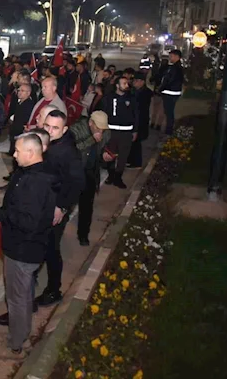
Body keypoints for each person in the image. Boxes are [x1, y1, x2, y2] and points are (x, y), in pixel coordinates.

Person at [0, 133, 57, 360]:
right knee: (24, 295)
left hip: (22, 250)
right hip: (27, 247)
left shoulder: (34, 183)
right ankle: (22, 334)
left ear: (31, 152)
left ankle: (15, 344)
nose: (14, 154)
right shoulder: (33, 174)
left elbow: (28, 221)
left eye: (17, 151)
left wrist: (3, 214)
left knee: (17, 299)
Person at [37, 109, 84, 306]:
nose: (50, 131)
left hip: (56, 208)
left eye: (55, 128)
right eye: (47, 126)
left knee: (51, 248)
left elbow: (77, 183)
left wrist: (62, 207)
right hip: (43, 204)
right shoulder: (47, 142)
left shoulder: (68, 152)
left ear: (64, 130)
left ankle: (53, 290)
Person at [69, 111, 112, 246]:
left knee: (87, 206)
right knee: (68, 205)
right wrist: (92, 139)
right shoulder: (76, 129)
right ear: (90, 123)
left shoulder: (106, 133)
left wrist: (105, 156)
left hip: (91, 172)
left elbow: (104, 148)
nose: (101, 131)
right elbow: (72, 149)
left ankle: (83, 235)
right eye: (98, 128)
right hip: (75, 172)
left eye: (103, 129)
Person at [103, 75, 137, 189]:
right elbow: (104, 113)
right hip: (111, 131)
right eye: (124, 83)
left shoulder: (131, 98)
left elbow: (136, 115)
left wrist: (135, 130)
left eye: (127, 83)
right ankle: (111, 175)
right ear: (117, 85)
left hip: (126, 132)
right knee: (110, 154)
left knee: (123, 156)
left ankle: (118, 177)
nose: (126, 85)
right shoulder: (109, 97)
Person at [128, 73, 152, 169]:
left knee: (136, 142)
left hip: (140, 120)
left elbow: (140, 109)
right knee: (132, 141)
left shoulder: (145, 93)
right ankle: (130, 160)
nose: (134, 82)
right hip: (135, 119)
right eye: (134, 80)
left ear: (142, 82)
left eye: (136, 81)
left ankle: (136, 162)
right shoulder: (134, 91)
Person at [157, 49, 183, 135]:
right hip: (172, 92)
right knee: (169, 113)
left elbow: (169, 80)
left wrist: (161, 88)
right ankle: (168, 130)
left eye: (171, 56)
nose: (170, 58)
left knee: (169, 113)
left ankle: (168, 131)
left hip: (170, 93)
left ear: (177, 57)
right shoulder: (176, 67)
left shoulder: (175, 68)